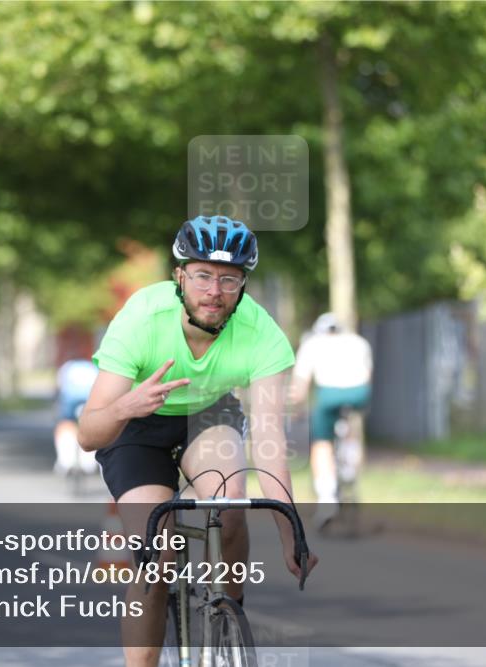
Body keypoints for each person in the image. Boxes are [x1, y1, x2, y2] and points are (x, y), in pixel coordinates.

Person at [77, 216, 317, 666]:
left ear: (243, 285)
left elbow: (269, 440)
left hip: (207, 414)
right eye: (203, 275)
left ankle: (227, 614)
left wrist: (292, 532)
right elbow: (89, 434)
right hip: (136, 423)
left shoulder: (262, 333)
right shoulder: (143, 318)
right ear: (179, 277)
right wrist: (127, 406)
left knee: (230, 507)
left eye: (229, 279)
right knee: (157, 558)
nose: (214, 291)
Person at [290, 312, 373, 522]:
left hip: (329, 395)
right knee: (350, 425)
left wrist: (297, 408)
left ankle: (327, 497)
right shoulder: (358, 342)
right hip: (358, 393)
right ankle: (350, 467)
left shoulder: (312, 343)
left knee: (322, 443)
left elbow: (301, 383)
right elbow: (368, 375)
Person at [53, 357, 98, 475]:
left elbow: (59, 388)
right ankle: (89, 461)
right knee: (94, 424)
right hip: (89, 399)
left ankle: (65, 461)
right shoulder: (95, 366)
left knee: (65, 423)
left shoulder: (67, 366)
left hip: (70, 400)